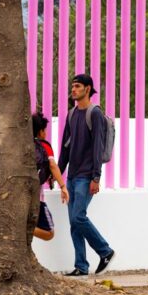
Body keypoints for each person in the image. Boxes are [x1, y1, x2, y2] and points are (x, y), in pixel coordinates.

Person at [57, 73, 115, 276]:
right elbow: (65, 147)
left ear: (88, 89)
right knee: (74, 223)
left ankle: (105, 251)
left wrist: (96, 178)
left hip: (86, 177)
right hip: (72, 176)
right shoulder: (71, 114)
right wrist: (57, 172)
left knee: (78, 217)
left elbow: (98, 148)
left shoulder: (95, 114)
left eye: (78, 86)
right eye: (72, 86)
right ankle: (81, 267)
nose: (73, 90)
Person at [32, 112, 69, 241]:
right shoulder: (44, 146)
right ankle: (23, 229)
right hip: (37, 198)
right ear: (40, 131)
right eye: (45, 130)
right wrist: (63, 186)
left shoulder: (23, 146)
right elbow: (52, 165)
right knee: (49, 233)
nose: (45, 133)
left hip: (21, 194)